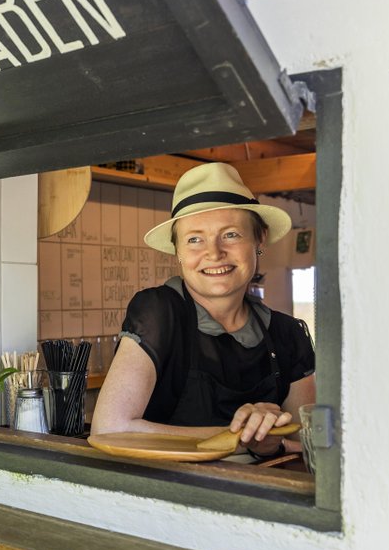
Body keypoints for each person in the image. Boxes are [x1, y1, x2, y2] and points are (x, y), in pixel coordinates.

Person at [91, 162, 316, 458]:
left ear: (259, 238)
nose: (214, 253)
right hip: (169, 486)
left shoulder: (289, 335)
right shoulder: (159, 313)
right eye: (194, 239)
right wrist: (243, 437)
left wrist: (274, 436)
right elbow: (109, 429)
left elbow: (309, 443)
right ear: (178, 252)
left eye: (231, 234)